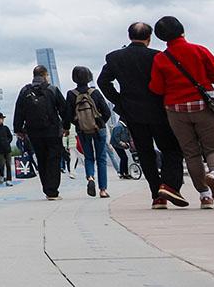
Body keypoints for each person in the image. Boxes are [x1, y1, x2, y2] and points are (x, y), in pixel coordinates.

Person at [100, 22, 187, 208]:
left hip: (131, 113)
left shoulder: (115, 57)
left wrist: (119, 101)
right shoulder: (157, 56)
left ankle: (157, 196)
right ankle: (170, 185)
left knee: (145, 152)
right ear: (149, 38)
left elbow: (103, 81)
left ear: (129, 35)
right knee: (172, 149)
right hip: (159, 110)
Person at [149, 15, 214, 209]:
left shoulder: (160, 58)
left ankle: (205, 196)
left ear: (161, 37)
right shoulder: (198, 50)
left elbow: (156, 88)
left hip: (176, 111)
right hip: (202, 106)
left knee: (191, 153)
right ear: (182, 30)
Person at [14, 65, 65, 200]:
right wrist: (65, 126)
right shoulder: (52, 90)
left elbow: (19, 111)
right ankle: (53, 190)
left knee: (41, 158)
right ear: (45, 75)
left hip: (34, 132)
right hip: (52, 130)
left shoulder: (25, 91)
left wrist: (18, 129)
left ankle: (47, 189)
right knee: (53, 158)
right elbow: (63, 109)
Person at [63, 66, 113, 197]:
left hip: (82, 130)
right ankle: (103, 190)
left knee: (89, 157)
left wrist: (74, 125)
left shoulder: (71, 94)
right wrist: (100, 123)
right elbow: (107, 112)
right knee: (101, 158)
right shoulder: (95, 93)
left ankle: (90, 177)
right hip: (98, 129)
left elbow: (67, 115)